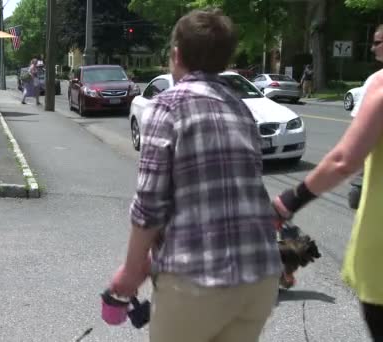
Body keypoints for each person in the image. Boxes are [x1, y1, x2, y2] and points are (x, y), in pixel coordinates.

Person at [109, 9, 281, 342]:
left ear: (176, 55)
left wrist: (131, 272)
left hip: (195, 282)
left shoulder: (167, 106)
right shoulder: (240, 109)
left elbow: (149, 205)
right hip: (259, 277)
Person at [272, 24, 383, 342]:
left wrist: (287, 201)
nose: (373, 49)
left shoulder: (378, 86)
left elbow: (344, 160)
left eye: (378, 43)